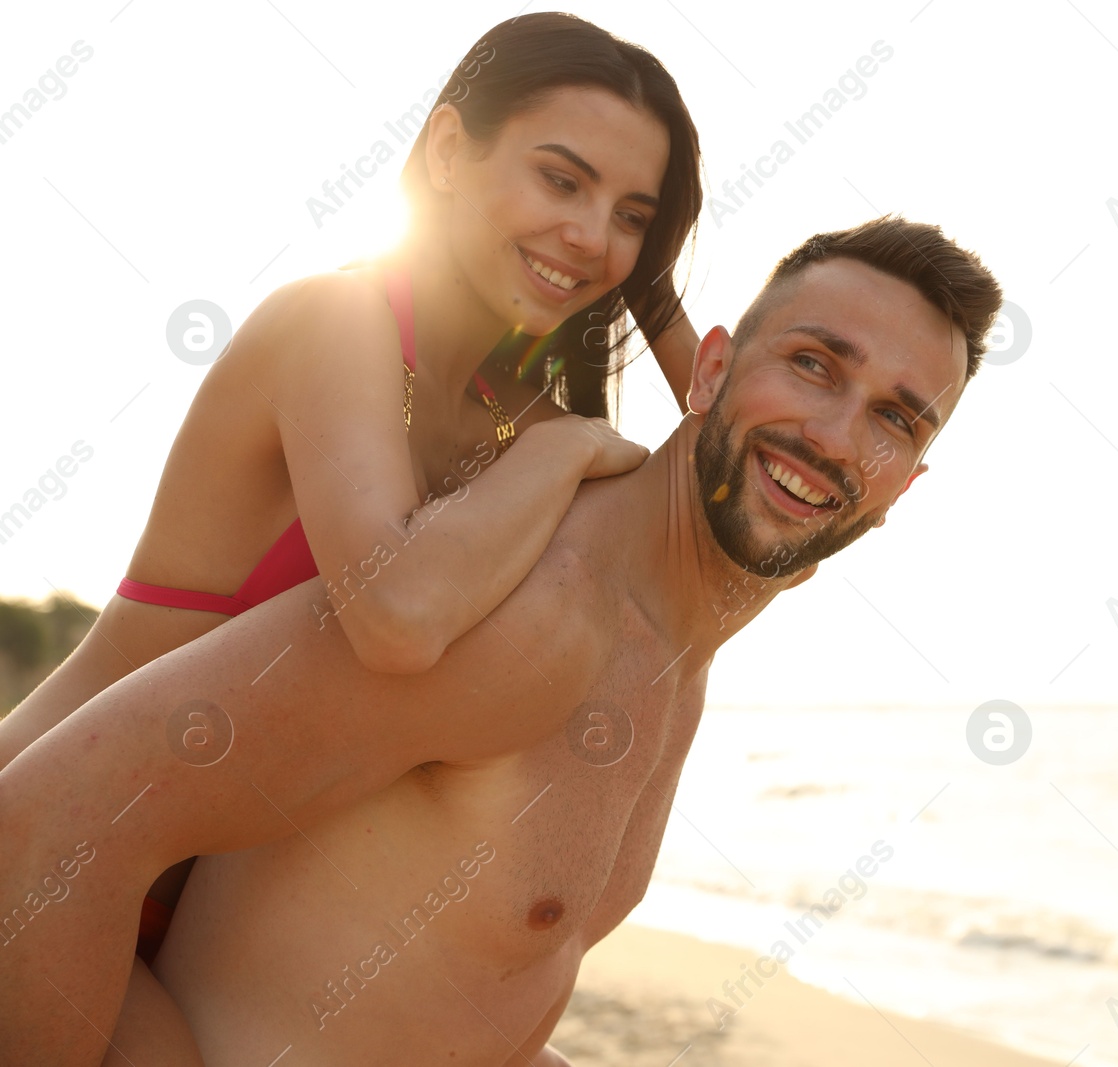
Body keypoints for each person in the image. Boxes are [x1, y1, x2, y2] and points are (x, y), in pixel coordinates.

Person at [0, 216, 1002, 1067]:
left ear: (905, 481)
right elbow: (39, 826)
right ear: (710, 368)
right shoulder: (533, 610)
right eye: (813, 364)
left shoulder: (671, 650)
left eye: (894, 419)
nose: (834, 434)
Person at [0, 11, 703, 954]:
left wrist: (640, 278)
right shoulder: (335, 322)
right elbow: (395, 612)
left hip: (197, 935)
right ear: (449, 150)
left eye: (630, 214)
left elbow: (720, 475)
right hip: (46, 859)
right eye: (561, 179)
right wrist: (563, 449)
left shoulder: (521, 415)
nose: (586, 233)